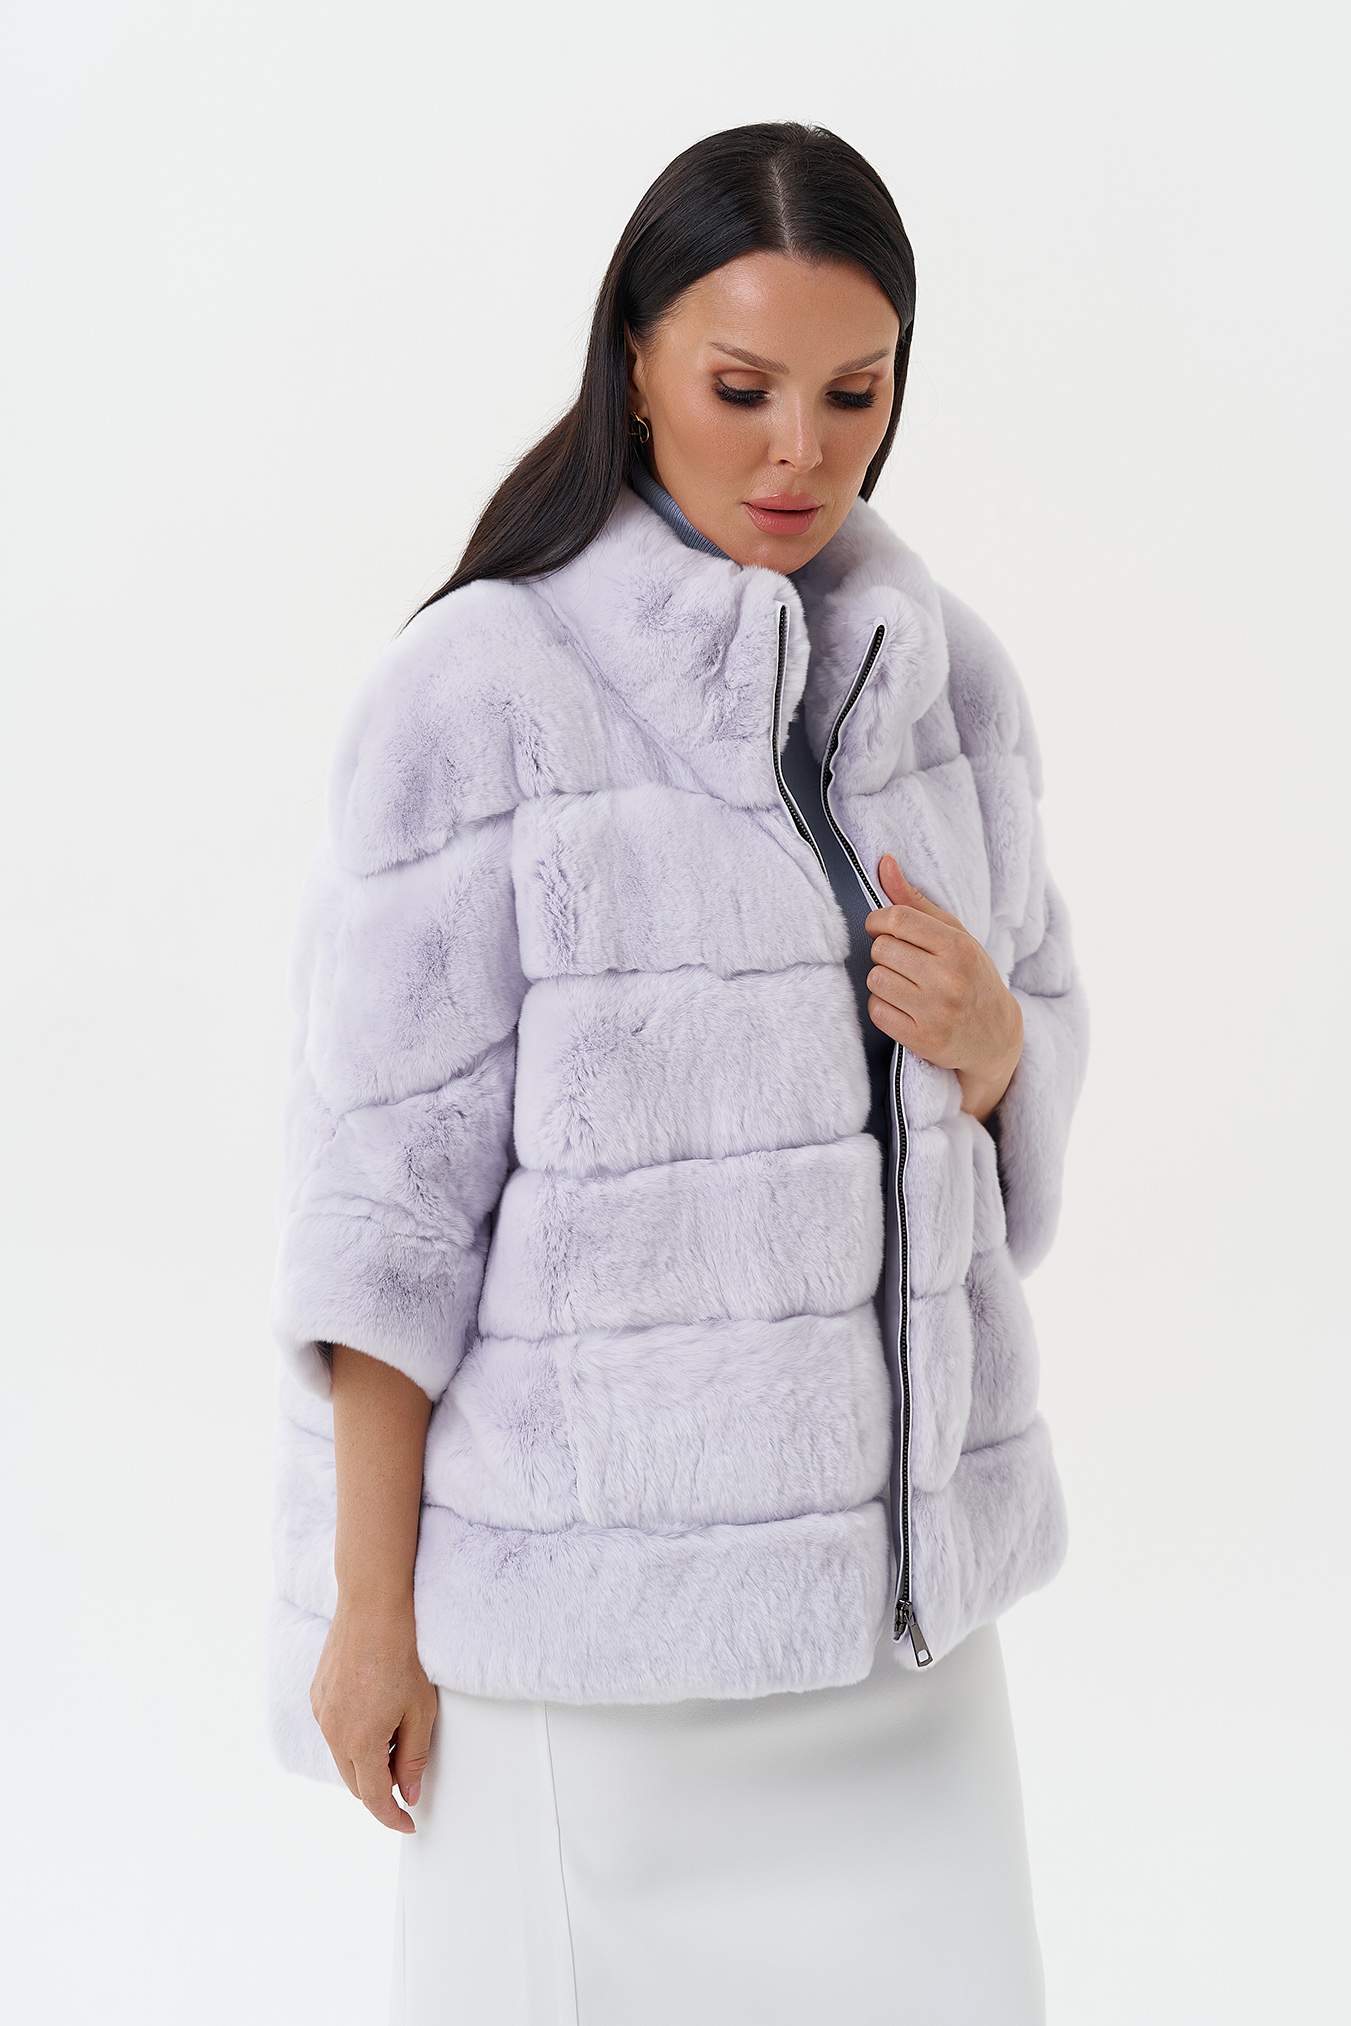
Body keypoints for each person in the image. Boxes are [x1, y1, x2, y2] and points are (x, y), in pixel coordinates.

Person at [267, 121, 1088, 2025]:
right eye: (743, 388)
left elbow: (1023, 1116)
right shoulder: (481, 697)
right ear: (635, 363)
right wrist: (368, 1608)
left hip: (897, 1658)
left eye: (853, 393)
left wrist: (1000, 1050)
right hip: (594, 1667)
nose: (801, 448)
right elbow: (385, 1209)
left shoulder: (944, 683)